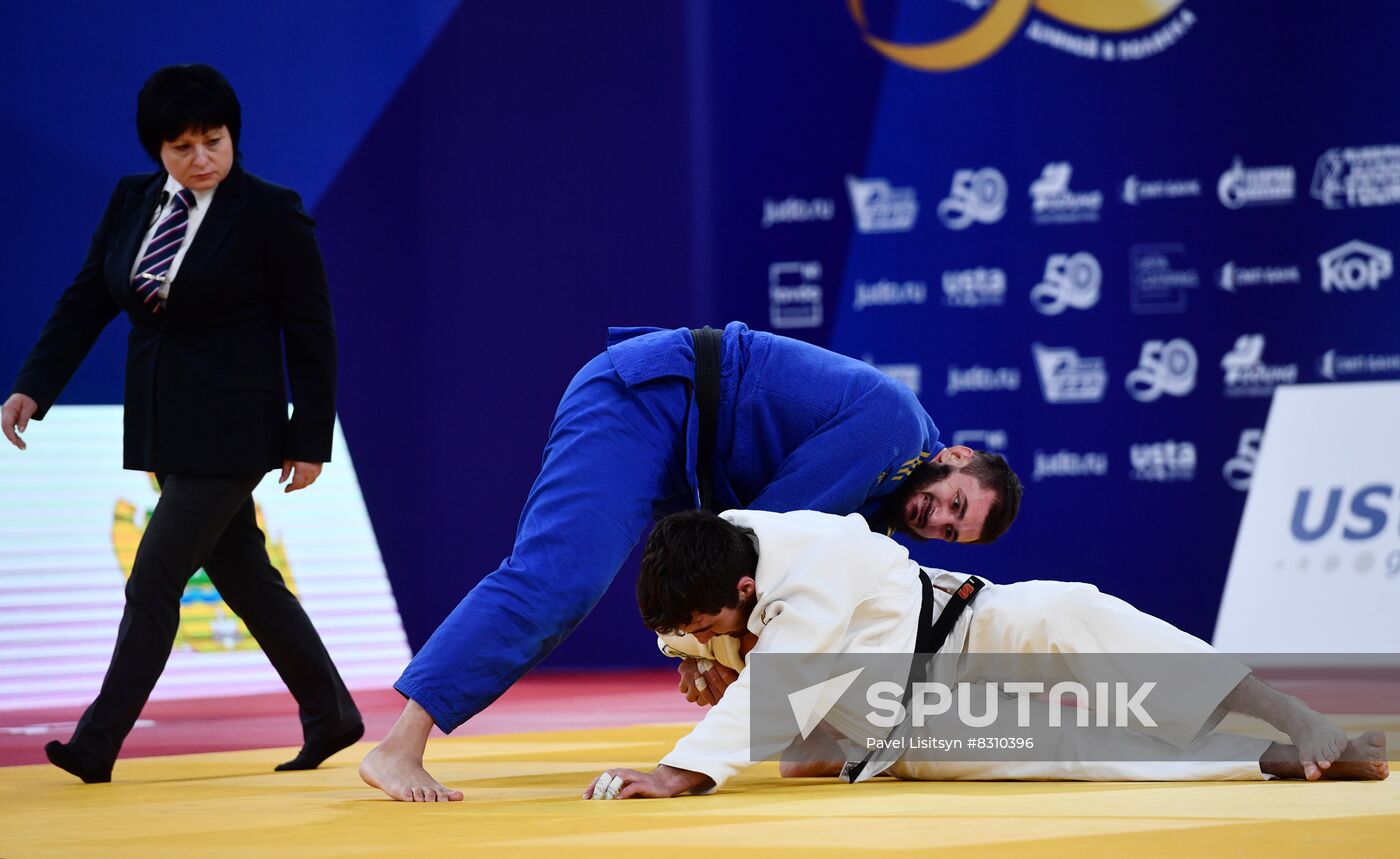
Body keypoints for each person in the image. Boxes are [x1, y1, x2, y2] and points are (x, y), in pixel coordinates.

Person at [359, 322, 1024, 801]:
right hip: (646, 402)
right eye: (953, 501)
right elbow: (753, 540)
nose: (936, 519)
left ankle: (819, 739)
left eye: (950, 531)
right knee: (560, 580)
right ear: (956, 455)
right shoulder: (898, 428)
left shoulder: (883, 506)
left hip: (691, 453)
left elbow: (768, 581)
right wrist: (707, 650)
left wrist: (709, 651)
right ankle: (399, 746)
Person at [1, 64, 362, 783]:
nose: (202, 160)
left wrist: (309, 436)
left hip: (236, 430)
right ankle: (331, 712)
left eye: (214, 142)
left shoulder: (270, 211)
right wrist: (33, 387)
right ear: (156, 150)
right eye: (183, 147)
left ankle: (96, 743)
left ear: (235, 137)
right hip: (166, 425)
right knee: (246, 576)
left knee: (155, 575)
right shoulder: (131, 200)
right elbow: (85, 300)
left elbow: (311, 330)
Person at [582, 509, 1388, 799]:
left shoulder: (813, 556)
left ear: (750, 583)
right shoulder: (700, 563)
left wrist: (677, 769)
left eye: (710, 619)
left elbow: (779, 679)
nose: (695, 629)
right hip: (903, 721)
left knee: (1076, 611)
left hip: (961, 622)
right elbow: (684, 635)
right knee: (1067, 748)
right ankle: (1262, 762)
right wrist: (700, 654)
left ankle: (1288, 710)